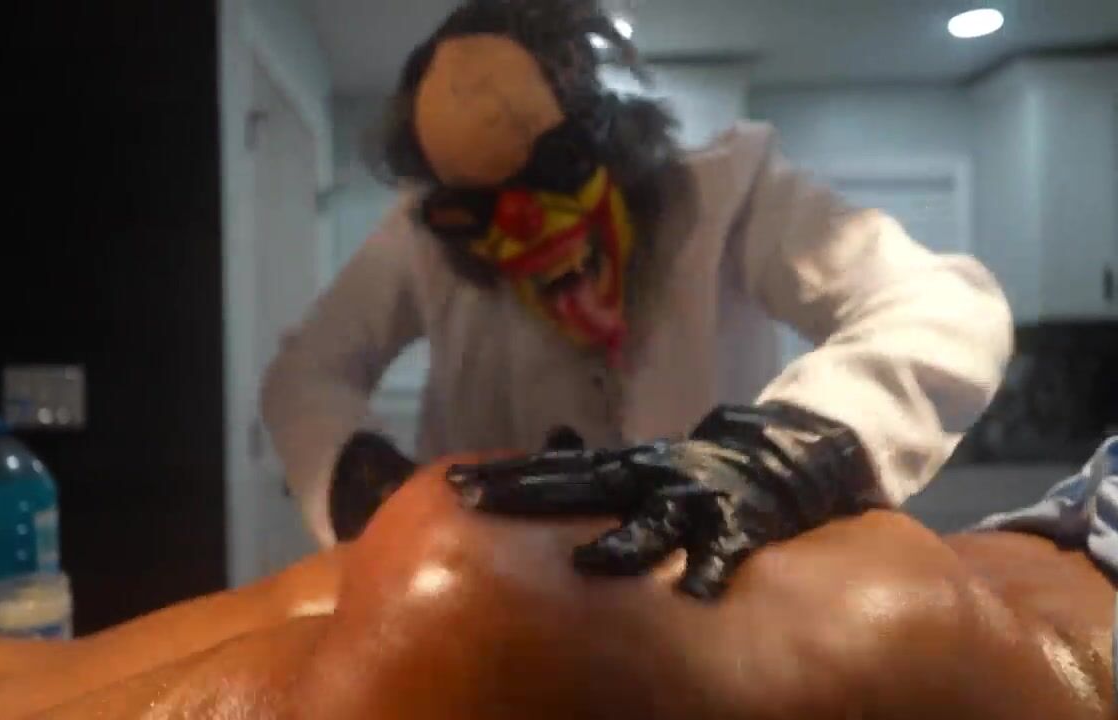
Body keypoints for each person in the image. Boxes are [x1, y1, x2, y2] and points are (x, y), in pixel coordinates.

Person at [260, 0, 1014, 596]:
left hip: (718, 599)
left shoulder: (727, 197)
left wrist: (781, 458)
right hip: (493, 605)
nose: (523, 225)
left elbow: (943, 307)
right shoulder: (425, 238)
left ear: (607, 141)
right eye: (479, 208)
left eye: (552, 174)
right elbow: (306, 374)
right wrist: (368, 488)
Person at [0, 452, 1111, 719]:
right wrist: (341, 460)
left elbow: (925, 305)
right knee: (403, 572)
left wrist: (805, 439)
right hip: (989, 551)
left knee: (468, 603)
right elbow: (319, 362)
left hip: (1036, 624)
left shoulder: (731, 189)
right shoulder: (439, 229)